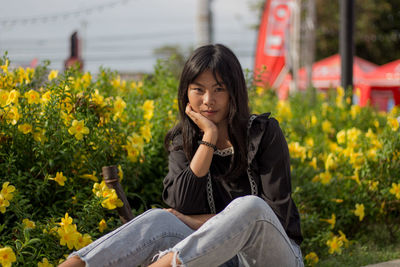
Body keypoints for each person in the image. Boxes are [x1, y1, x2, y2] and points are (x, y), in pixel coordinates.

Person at [59, 44, 303, 267]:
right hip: (221, 259)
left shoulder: (263, 133)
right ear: (186, 93)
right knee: (158, 220)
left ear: (234, 93)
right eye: (199, 89)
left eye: (219, 89)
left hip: (272, 257)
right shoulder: (183, 140)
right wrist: (208, 137)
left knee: (250, 207)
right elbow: (182, 204)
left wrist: (193, 221)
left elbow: (274, 218)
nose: (208, 100)